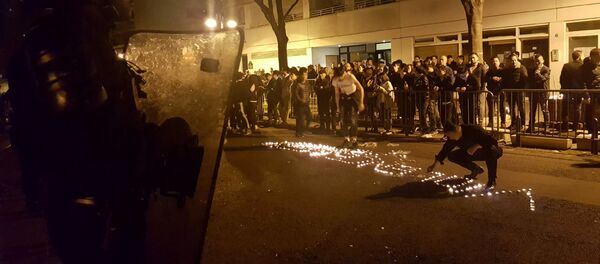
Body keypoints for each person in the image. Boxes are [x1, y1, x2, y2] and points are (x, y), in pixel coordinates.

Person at [427, 122, 503, 191]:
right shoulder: (453, 138)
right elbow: (444, 150)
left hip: (486, 150)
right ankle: (475, 169)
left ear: (453, 132)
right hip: (471, 153)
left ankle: (492, 181)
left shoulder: (473, 130)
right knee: (452, 155)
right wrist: (433, 165)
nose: (448, 138)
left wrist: (475, 146)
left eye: (448, 135)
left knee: (491, 151)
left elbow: (491, 141)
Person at [333, 65, 365, 149]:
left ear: (344, 72)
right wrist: (337, 106)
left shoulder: (350, 77)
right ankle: (346, 139)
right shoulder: (336, 79)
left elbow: (361, 89)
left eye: (341, 76)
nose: (340, 78)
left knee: (353, 120)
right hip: (344, 98)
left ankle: (354, 140)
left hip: (353, 98)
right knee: (342, 120)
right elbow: (336, 93)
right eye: (338, 76)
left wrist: (361, 102)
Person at [559, 50, 584, 131]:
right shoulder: (582, 66)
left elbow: (562, 78)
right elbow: (583, 80)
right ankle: (575, 127)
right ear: (579, 56)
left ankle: (565, 126)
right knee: (577, 109)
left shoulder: (566, 65)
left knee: (565, 108)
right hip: (578, 91)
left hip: (567, 90)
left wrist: (563, 88)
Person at [503, 53, 528, 131]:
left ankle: (523, 124)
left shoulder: (522, 68)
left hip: (519, 91)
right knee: (512, 107)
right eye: (512, 60)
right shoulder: (508, 69)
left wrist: (522, 89)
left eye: (515, 60)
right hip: (511, 92)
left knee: (521, 107)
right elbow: (505, 79)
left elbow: (525, 79)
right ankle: (513, 123)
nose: (513, 62)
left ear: (517, 60)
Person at [527, 54, 550, 133]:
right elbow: (530, 80)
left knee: (545, 110)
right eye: (536, 61)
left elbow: (544, 78)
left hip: (543, 92)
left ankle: (547, 127)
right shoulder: (532, 69)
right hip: (534, 92)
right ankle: (531, 126)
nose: (537, 63)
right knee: (532, 110)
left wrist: (538, 74)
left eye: (539, 61)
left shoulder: (546, 69)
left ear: (543, 61)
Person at [463, 53, 486, 126]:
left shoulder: (481, 67)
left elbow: (483, 79)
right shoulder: (468, 67)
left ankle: (480, 122)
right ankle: (473, 122)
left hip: (479, 89)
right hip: (471, 89)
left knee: (479, 106)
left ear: (477, 59)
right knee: (472, 106)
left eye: (473, 58)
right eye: (471, 58)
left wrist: (482, 89)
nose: (472, 59)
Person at [581, 48, 600, 132]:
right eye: (598, 57)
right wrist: (586, 95)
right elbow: (583, 82)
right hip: (591, 93)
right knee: (590, 111)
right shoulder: (585, 67)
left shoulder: (598, 65)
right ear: (593, 57)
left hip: (598, 92)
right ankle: (591, 129)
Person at [485, 57, 506, 128]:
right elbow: (485, 78)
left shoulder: (502, 71)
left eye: (496, 61)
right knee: (491, 108)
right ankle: (490, 122)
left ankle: (503, 122)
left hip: (500, 92)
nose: (495, 63)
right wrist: (492, 78)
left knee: (502, 108)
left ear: (499, 62)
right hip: (491, 91)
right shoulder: (489, 71)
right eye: (493, 61)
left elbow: (506, 79)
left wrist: (500, 79)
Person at [438, 56, 457, 125]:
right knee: (443, 115)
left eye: (442, 59)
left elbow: (452, 82)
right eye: (440, 59)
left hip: (448, 95)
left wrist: (444, 84)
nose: (441, 61)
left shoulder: (449, 70)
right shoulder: (438, 69)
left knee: (448, 115)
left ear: (446, 61)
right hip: (441, 96)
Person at [293, 68, 312, 137]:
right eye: (304, 74)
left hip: (306, 103)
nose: (306, 76)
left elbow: (309, 91)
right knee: (300, 119)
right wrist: (301, 100)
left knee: (309, 117)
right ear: (301, 75)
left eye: (306, 74)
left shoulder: (307, 83)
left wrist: (308, 98)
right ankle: (299, 132)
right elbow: (296, 94)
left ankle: (304, 130)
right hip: (300, 104)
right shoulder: (297, 84)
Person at [414, 66, 431, 134]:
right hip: (419, 97)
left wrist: (418, 87)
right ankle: (423, 128)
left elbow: (426, 87)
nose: (415, 72)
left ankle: (426, 128)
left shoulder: (424, 77)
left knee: (423, 113)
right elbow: (415, 87)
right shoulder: (417, 78)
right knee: (421, 113)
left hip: (424, 98)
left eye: (415, 71)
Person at [362, 67, 379, 132]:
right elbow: (364, 86)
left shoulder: (374, 78)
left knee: (374, 111)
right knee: (369, 112)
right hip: (367, 97)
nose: (368, 71)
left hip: (373, 96)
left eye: (370, 70)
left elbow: (373, 86)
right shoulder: (364, 78)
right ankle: (372, 126)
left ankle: (375, 127)